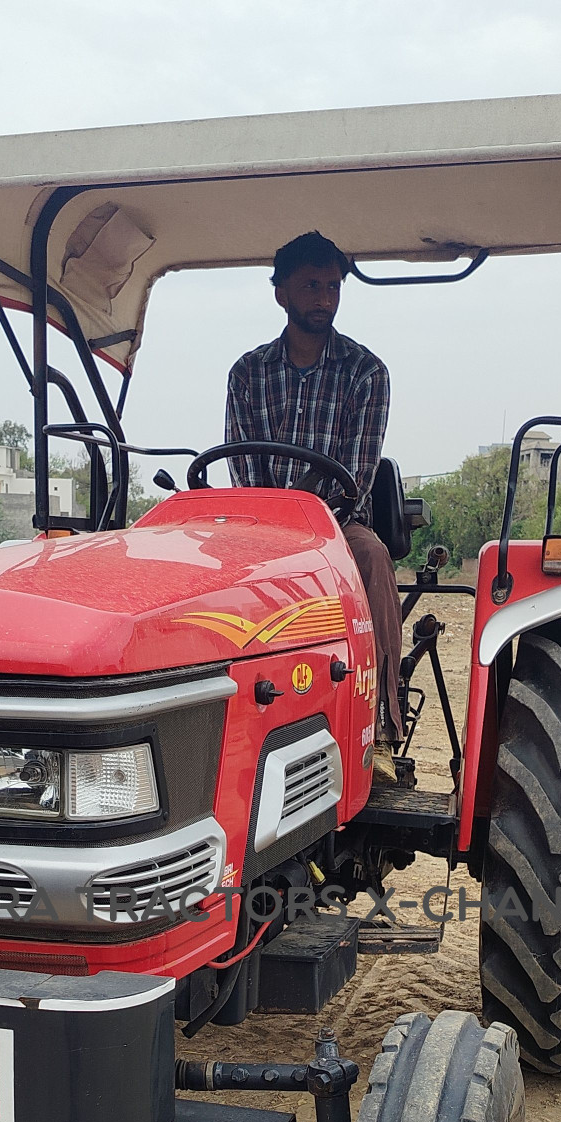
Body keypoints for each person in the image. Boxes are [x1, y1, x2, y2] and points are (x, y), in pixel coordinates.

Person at [225, 229, 405, 778]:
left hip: (335, 528)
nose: (324, 298)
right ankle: (226, 728)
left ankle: (382, 727)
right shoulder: (248, 374)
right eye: (311, 286)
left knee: (371, 557)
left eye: (332, 287)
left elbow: (357, 470)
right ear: (281, 293)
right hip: (259, 527)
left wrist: (305, 526)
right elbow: (242, 464)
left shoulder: (365, 373)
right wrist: (267, 529)